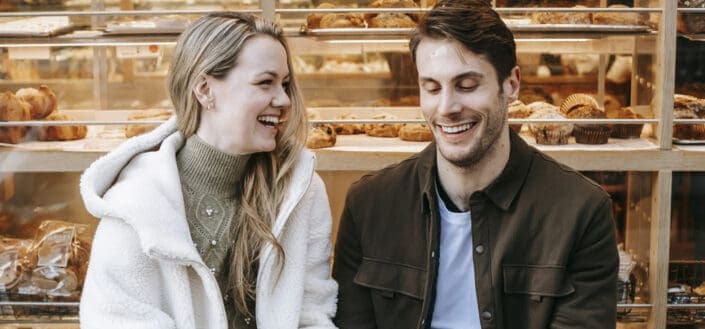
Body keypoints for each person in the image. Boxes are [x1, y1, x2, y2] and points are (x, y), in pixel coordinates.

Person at [332, 1, 618, 328]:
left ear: (511, 84)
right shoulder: (369, 205)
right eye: (432, 88)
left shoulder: (581, 212)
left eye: (467, 85)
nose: (447, 107)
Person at [79, 12, 338, 329]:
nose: (284, 99)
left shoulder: (300, 191)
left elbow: (311, 314)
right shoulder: (138, 203)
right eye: (265, 82)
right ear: (204, 90)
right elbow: (117, 320)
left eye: (285, 84)